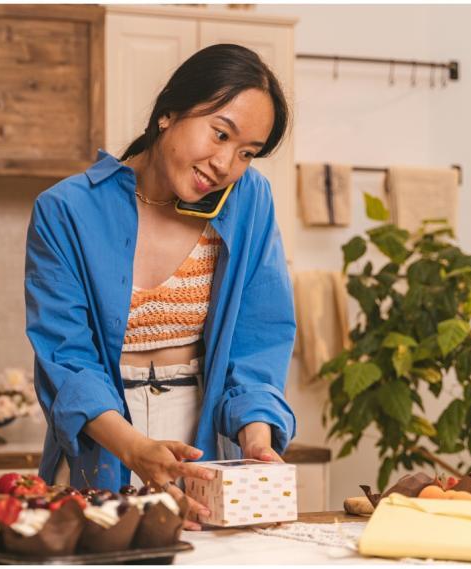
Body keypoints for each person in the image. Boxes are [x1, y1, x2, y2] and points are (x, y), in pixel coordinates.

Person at [25, 44, 296, 529]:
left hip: (203, 441)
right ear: (169, 112)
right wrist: (136, 450)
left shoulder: (249, 200)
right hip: (107, 436)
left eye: (246, 153)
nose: (224, 164)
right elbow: (66, 360)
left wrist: (256, 440)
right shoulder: (65, 209)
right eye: (220, 134)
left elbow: (259, 341)